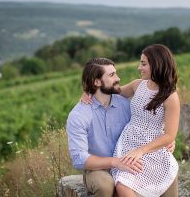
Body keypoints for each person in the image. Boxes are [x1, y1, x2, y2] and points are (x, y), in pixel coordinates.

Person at [66, 57, 175, 197]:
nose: (118, 78)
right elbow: (79, 158)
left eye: (116, 73)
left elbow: (146, 125)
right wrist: (115, 162)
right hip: (99, 168)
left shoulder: (125, 104)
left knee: (167, 169)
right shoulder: (79, 115)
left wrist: (167, 139)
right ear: (97, 82)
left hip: (129, 161)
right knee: (105, 185)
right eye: (111, 75)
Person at [111, 44, 180, 197]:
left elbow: (169, 136)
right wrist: (89, 90)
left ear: (157, 64)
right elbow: (115, 91)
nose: (139, 67)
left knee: (125, 185)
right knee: (123, 185)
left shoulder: (170, 97)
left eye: (143, 63)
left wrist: (140, 151)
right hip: (129, 144)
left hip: (151, 150)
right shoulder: (138, 85)